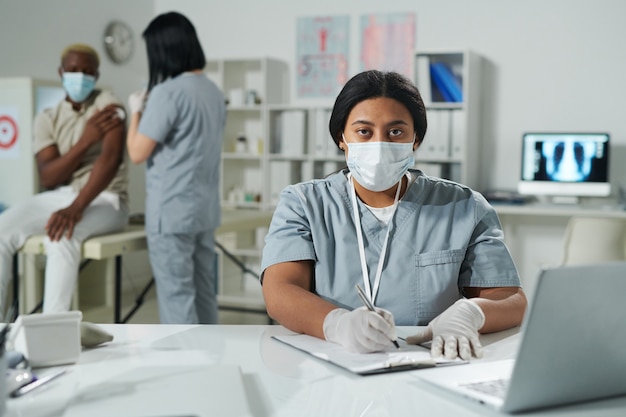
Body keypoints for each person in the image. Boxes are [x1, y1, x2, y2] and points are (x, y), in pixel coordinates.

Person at [261, 70, 527, 360]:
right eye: (364, 131)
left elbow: (510, 299)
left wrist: (472, 313)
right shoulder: (304, 203)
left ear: (416, 139)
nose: (379, 144)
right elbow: (280, 291)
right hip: (331, 363)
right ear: (341, 138)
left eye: (395, 132)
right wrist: (337, 324)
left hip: (430, 363)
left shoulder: (464, 207)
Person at [0, 43, 128, 319]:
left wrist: (77, 207)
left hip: (107, 199)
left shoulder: (108, 104)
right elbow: (48, 177)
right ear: (60, 72)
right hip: (65, 194)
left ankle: (51, 332)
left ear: (97, 75)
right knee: (2, 230)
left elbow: (111, 158)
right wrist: (85, 141)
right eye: (73, 70)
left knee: (60, 239)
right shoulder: (47, 118)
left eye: (87, 72)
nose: (80, 77)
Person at [126, 12, 226, 324]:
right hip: (204, 211)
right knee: (205, 294)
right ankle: (212, 366)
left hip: (171, 213)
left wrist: (135, 112)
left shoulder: (167, 93)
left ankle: (187, 370)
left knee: (177, 298)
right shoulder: (213, 91)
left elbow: (137, 152)